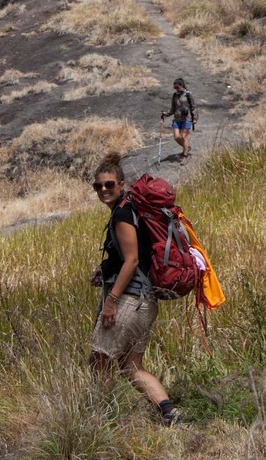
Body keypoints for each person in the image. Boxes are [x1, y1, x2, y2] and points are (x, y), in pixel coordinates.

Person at [88, 152, 183, 427]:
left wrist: (111, 301)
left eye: (109, 184)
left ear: (121, 183)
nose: (104, 190)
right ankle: (169, 413)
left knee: (99, 359)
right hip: (146, 301)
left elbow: (132, 259)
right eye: (98, 186)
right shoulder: (133, 209)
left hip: (130, 300)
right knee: (130, 365)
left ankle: (100, 421)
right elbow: (128, 257)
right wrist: (105, 271)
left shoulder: (122, 213)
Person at [162, 78, 196, 160]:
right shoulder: (175, 95)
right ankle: (187, 147)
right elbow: (173, 109)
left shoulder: (188, 95)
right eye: (175, 88)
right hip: (177, 119)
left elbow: (193, 107)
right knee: (177, 138)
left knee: (183, 137)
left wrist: (195, 118)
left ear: (182, 85)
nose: (176, 89)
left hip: (186, 119)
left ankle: (185, 154)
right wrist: (166, 114)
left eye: (177, 87)